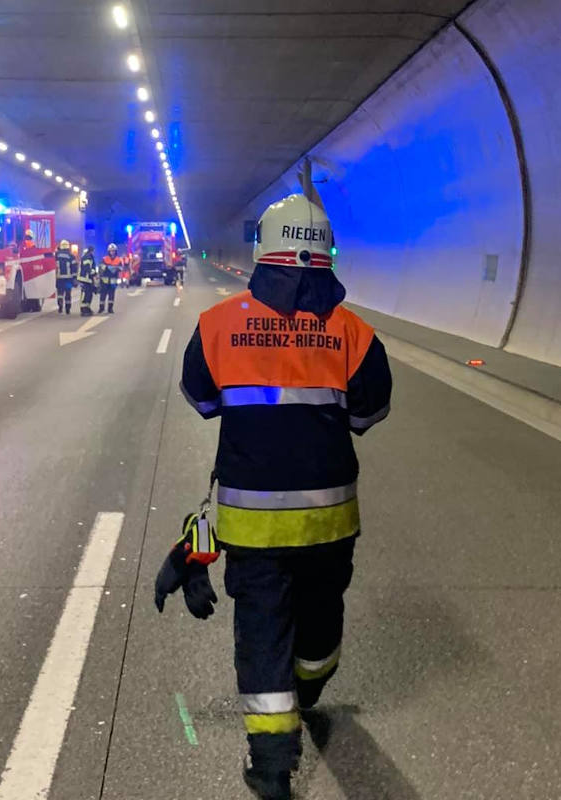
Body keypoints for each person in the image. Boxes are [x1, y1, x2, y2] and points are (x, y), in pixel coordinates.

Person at [173, 193, 393, 800]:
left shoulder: (219, 325)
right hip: (330, 524)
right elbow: (370, 413)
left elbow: (202, 399)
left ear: (260, 252)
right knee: (320, 627)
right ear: (327, 255)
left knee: (262, 635)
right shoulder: (355, 332)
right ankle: (310, 692)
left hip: (253, 528)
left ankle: (272, 766)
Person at [98, 243, 125, 314]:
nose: (112, 252)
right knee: (102, 295)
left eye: (113, 251)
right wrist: (107, 268)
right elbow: (101, 267)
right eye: (111, 251)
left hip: (113, 280)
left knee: (111, 295)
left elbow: (121, 268)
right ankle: (101, 308)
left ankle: (110, 308)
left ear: (116, 251)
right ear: (108, 251)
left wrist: (115, 268)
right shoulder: (105, 259)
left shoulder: (118, 259)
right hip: (105, 280)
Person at [55, 239, 76, 314]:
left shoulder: (56, 255)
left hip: (59, 278)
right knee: (68, 293)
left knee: (60, 293)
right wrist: (74, 278)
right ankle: (67, 309)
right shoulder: (71, 256)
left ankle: (60, 306)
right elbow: (74, 268)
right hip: (68, 278)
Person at [77, 246, 98, 316]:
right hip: (85, 278)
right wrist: (94, 273)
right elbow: (87, 268)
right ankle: (83, 309)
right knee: (85, 294)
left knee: (89, 294)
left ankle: (87, 308)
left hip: (88, 279)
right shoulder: (88, 257)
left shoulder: (88, 256)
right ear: (92, 250)